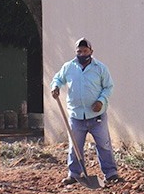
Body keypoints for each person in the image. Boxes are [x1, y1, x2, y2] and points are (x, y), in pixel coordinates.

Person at [51, 38, 119, 185]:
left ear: (91, 52)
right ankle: (75, 174)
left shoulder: (100, 68)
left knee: (104, 145)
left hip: (97, 117)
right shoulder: (69, 67)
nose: (82, 54)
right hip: (76, 117)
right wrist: (55, 86)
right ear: (76, 52)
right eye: (79, 51)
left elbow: (109, 87)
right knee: (75, 146)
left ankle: (111, 174)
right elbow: (58, 78)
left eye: (85, 51)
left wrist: (101, 101)